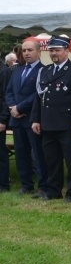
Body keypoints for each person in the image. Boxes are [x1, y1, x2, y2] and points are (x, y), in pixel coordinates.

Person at [30, 36, 71, 202]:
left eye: (57, 50)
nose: (54, 53)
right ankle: (53, 190)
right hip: (48, 122)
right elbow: (39, 97)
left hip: (68, 124)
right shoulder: (45, 71)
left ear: (66, 51)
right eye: (51, 50)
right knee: (52, 159)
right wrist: (36, 119)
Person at [5, 39, 48, 194]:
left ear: (38, 52)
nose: (26, 53)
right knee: (21, 154)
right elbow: (8, 91)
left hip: (33, 118)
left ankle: (43, 185)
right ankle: (26, 185)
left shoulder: (44, 71)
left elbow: (37, 94)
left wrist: (20, 107)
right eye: (24, 51)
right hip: (16, 119)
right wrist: (13, 108)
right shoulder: (17, 70)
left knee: (38, 154)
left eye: (30, 50)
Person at [0, 58, 10, 192]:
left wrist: (2, 119)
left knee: (0, 153)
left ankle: (3, 184)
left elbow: (5, 97)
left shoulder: (4, 71)